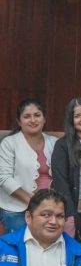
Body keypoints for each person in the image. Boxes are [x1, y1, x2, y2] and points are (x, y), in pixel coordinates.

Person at [0, 100, 57, 234]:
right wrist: (32, 201)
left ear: (44, 119)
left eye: (37, 115)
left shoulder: (55, 143)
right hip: (17, 208)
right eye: (27, 116)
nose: (33, 120)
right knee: (19, 248)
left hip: (51, 207)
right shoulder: (10, 143)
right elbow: (4, 178)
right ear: (19, 122)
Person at [52, 97, 81, 233]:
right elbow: (60, 182)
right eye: (77, 116)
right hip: (76, 208)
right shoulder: (62, 145)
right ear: (70, 121)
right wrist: (70, 214)